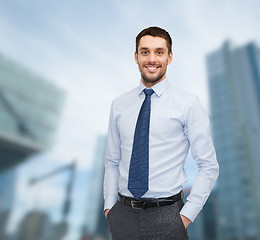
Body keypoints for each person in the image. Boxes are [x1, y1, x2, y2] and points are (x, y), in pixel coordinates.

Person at [103, 26, 219, 240]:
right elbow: (112, 161)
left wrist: (184, 217)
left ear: (169, 57)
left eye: (159, 52)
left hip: (168, 215)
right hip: (122, 215)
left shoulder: (188, 104)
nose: (152, 59)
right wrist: (110, 209)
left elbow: (208, 166)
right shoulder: (119, 105)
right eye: (145, 52)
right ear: (136, 57)